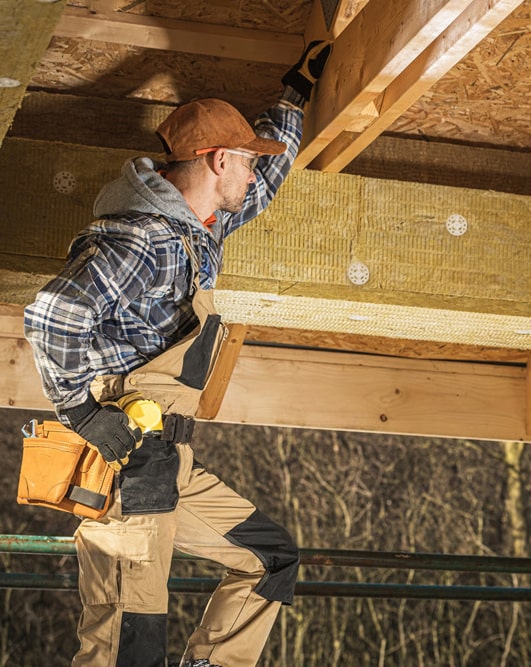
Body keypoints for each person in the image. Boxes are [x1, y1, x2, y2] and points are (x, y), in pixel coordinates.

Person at [22, 41, 332, 667]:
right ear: (218, 160)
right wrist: (85, 415)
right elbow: (53, 314)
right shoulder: (145, 237)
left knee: (270, 560)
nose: (252, 176)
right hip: (126, 462)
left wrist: (293, 94)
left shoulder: (198, 233)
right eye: (245, 163)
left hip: (170, 460)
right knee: (125, 645)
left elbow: (265, 182)